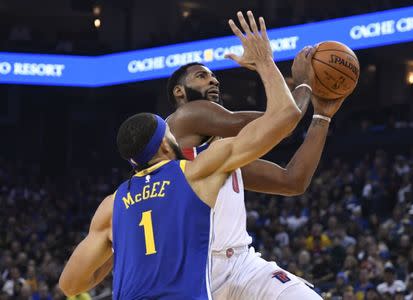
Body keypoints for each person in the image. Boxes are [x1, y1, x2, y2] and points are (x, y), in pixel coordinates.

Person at [59, 11, 303, 299]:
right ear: (165, 145)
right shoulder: (196, 174)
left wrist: (119, 250)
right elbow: (285, 117)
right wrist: (264, 61)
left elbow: (70, 285)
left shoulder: (113, 206)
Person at [166, 17, 347, 300]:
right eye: (201, 75)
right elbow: (282, 122)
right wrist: (298, 81)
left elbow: (292, 181)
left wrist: (322, 116)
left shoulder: (223, 154)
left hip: (241, 264)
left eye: (214, 76)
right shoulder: (183, 119)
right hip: (193, 269)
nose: (213, 79)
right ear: (179, 91)